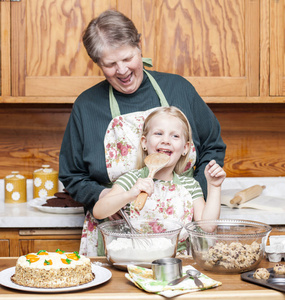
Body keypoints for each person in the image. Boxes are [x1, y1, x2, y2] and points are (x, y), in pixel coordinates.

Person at [59, 10, 226, 256]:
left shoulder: (179, 89)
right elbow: (72, 175)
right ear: (97, 64)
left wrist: (192, 196)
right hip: (116, 240)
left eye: (127, 58)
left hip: (180, 239)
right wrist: (108, 196)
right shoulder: (87, 105)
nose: (122, 70)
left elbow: (212, 148)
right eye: (110, 64)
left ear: (139, 46)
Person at [93, 106, 226, 253]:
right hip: (135, 257)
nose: (166, 140)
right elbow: (99, 211)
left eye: (175, 136)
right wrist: (129, 195)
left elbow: (208, 226)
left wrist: (214, 187)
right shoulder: (131, 180)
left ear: (185, 148)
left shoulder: (190, 186)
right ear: (144, 142)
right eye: (158, 133)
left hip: (176, 262)